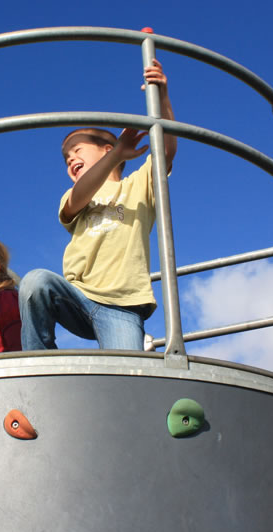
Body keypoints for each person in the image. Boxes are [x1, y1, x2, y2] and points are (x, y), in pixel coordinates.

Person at [19, 58, 177, 350]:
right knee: (34, 282)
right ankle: (39, 364)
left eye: (77, 150)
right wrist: (116, 155)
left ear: (106, 148)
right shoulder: (75, 194)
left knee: (127, 373)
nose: (70, 160)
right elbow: (78, 198)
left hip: (122, 305)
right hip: (76, 296)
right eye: (66, 159)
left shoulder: (138, 186)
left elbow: (165, 150)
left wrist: (162, 97)